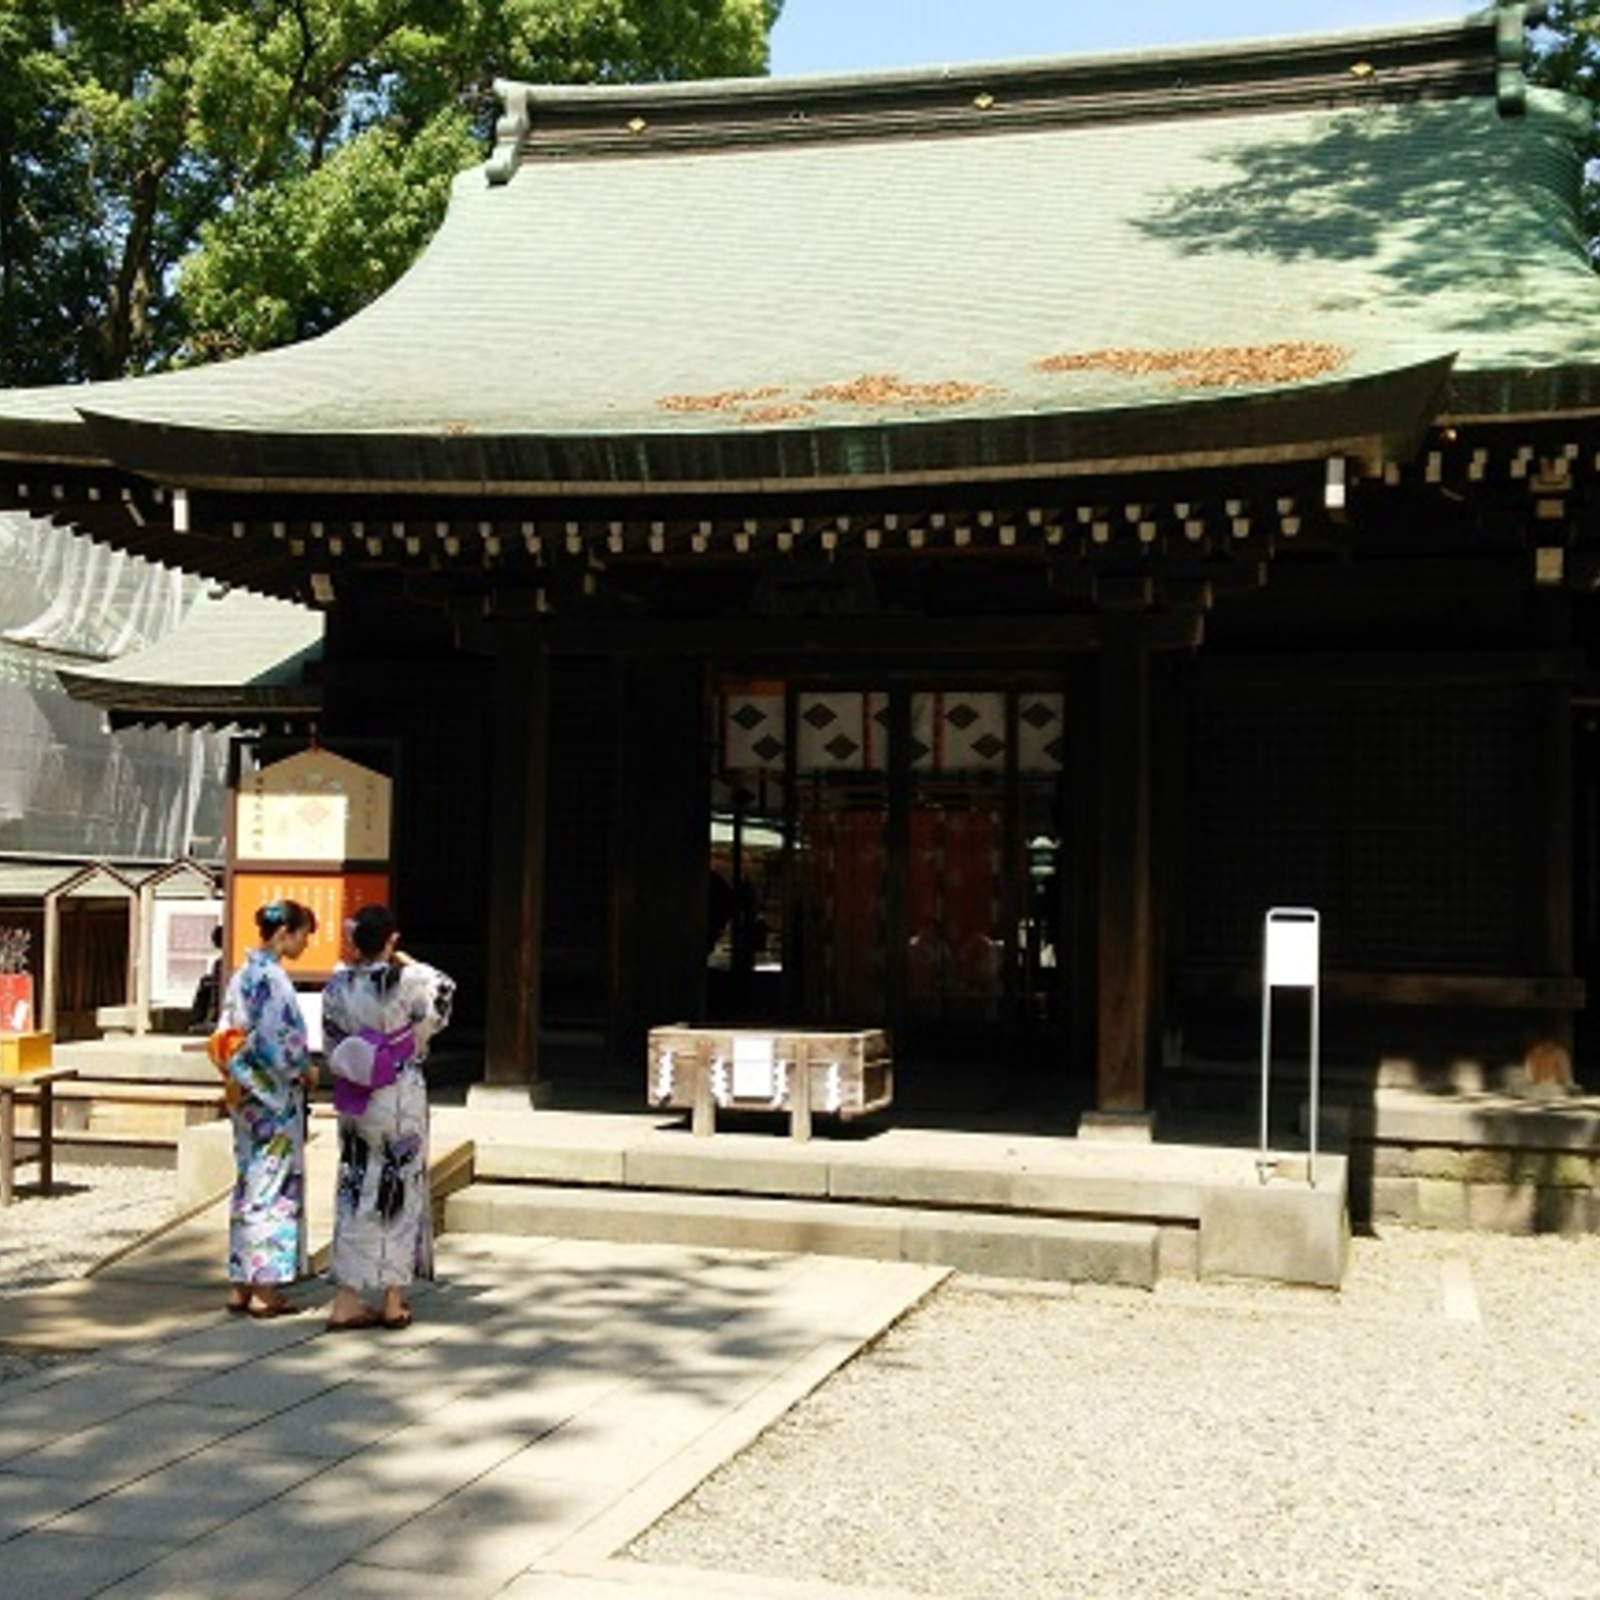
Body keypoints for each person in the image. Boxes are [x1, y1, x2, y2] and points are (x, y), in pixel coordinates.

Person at [320, 904, 454, 1332]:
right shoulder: (406, 980)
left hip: (357, 1091)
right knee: (398, 1188)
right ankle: (393, 1299)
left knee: (355, 1184)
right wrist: (405, 959)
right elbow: (443, 992)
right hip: (398, 1092)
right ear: (391, 939)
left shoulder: (337, 985)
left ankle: (346, 1299)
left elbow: (331, 1042)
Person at [220, 898, 318, 1318]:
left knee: (249, 1181)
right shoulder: (273, 980)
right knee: (273, 1187)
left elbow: (227, 1032)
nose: (305, 944)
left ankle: (240, 1283)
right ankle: (264, 1287)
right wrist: (304, 1067)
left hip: (245, 1091)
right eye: (302, 935)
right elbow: (282, 1042)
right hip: (274, 1095)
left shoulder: (241, 975)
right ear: (284, 933)